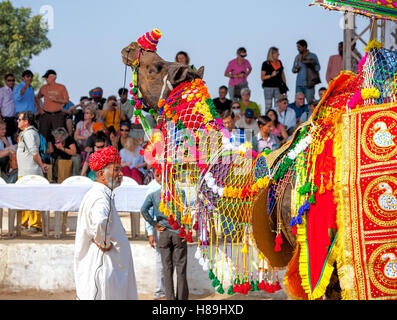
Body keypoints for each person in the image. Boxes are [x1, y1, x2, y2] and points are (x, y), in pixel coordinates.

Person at [74, 146, 138, 300]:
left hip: (107, 267)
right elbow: (99, 222)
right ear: (101, 174)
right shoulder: (101, 197)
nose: (121, 174)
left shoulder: (101, 194)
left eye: (120, 169)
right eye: (116, 170)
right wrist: (103, 242)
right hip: (104, 266)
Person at [140, 170, 189, 300]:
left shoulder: (154, 194)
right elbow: (185, 212)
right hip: (178, 232)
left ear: (161, 179)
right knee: (181, 269)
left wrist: (154, 223)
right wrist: (187, 230)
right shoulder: (180, 193)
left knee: (167, 269)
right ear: (174, 179)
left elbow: (143, 209)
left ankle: (170, 299)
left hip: (163, 233)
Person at [16, 111, 48, 232]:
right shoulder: (26, 133)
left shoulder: (29, 134)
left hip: (30, 172)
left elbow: (34, 153)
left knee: (33, 198)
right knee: (24, 198)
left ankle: (35, 224)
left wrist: (41, 165)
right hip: (25, 172)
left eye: (19, 119)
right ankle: (24, 223)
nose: (17, 121)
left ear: (26, 121)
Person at [142, 167, 166, 300]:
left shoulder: (172, 184)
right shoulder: (152, 188)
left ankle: (167, 291)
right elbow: (147, 212)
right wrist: (151, 232)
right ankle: (159, 292)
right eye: (158, 175)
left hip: (171, 228)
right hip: (159, 228)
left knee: (169, 261)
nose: (160, 177)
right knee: (161, 261)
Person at [36, 69, 69, 141]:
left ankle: (59, 151)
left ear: (53, 77)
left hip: (57, 115)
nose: (45, 79)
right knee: (42, 135)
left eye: (46, 77)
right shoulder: (43, 87)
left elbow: (66, 101)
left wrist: (57, 100)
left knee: (59, 136)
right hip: (45, 115)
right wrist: (40, 109)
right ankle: (43, 151)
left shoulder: (61, 87)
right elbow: (37, 98)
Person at [292, 40, 321, 104]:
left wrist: (309, 63)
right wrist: (296, 68)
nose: (298, 49)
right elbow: (293, 70)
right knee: (299, 103)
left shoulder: (312, 56)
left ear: (304, 47)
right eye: (297, 47)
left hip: (309, 84)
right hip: (299, 84)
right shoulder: (297, 57)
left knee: (310, 103)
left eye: (299, 47)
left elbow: (318, 67)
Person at [261, 47, 287, 113]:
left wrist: (284, 85)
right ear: (272, 54)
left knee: (278, 106)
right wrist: (271, 75)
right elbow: (262, 77)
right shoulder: (266, 63)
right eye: (277, 53)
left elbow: (282, 74)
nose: (278, 54)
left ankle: (277, 121)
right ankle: (267, 121)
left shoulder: (279, 62)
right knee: (268, 106)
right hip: (268, 87)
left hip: (278, 87)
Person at [0, 73, 17, 143]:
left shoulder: (15, 91)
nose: (11, 82)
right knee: (5, 141)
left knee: (14, 140)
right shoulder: (2, 91)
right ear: (5, 81)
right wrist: (1, 121)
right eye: (9, 80)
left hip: (14, 120)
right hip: (5, 120)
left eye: (13, 80)